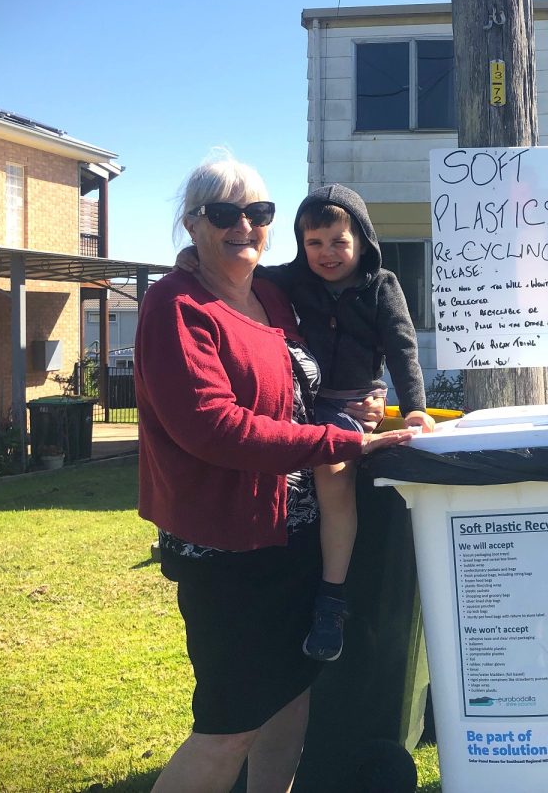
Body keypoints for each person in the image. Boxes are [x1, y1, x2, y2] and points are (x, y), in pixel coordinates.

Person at [136, 157, 415, 793]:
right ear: (193, 224)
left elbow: (305, 383)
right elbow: (211, 426)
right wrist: (335, 439)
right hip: (226, 545)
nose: (244, 226)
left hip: (295, 538)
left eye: (258, 213)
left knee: (290, 703)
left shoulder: (271, 295)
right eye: (223, 213)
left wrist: (361, 404)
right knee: (229, 723)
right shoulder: (175, 305)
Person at [179, 182, 434, 662]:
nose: (327, 253)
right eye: (314, 243)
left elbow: (402, 349)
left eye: (339, 241)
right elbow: (239, 271)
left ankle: (331, 598)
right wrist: (189, 258)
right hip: (302, 401)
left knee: (332, 474)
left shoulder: (383, 287)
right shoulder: (291, 282)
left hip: (351, 403)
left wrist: (414, 405)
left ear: (362, 239)